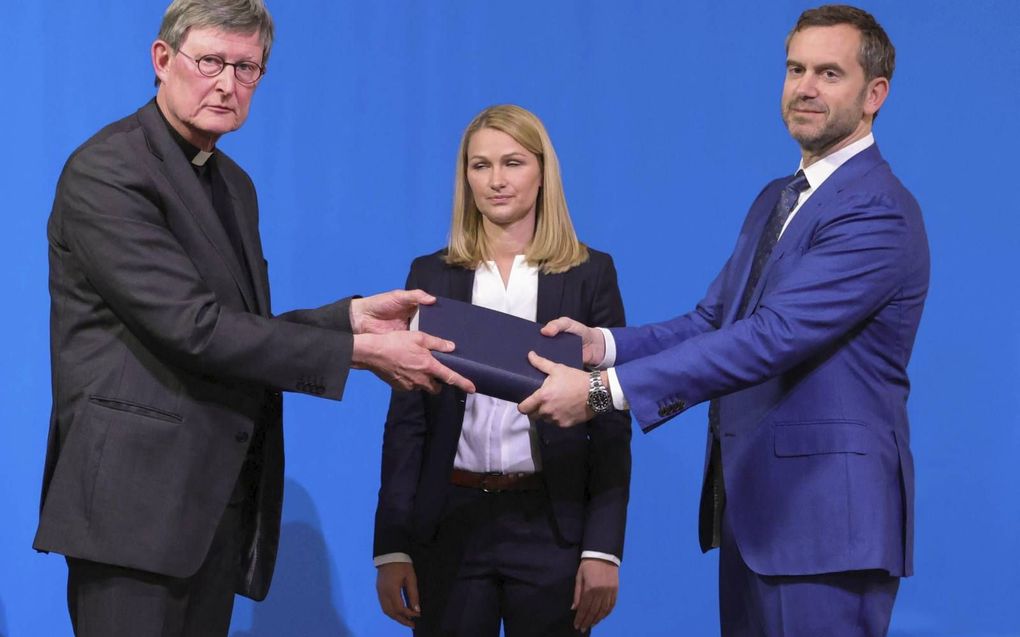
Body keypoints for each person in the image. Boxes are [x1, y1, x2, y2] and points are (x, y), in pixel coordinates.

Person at [34, 1, 473, 635]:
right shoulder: (108, 171)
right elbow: (195, 327)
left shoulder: (232, 183)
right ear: (162, 61)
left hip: (212, 508)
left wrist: (346, 320)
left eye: (247, 67)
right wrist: (357, 353)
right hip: (132, 515)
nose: (227, 83)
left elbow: (237, 326)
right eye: (210, 60)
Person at [519, 5, 929, 636]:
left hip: (824, 525)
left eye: (829, 73)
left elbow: (773, 336)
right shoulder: (777, 197)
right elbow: (717, 318)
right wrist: (602, 347)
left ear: (875, 94)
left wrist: (604, 394)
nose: (805, 88)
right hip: (756, 512)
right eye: (795, 69)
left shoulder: (877, 211)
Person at [372, 104, 632, 636]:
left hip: (552, 524)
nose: (495, 181)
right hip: (450, 523)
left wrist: (604, 548)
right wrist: (392, 545)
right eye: (480, 165)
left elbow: (609, 416)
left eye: (512, 163)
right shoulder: (432, 275)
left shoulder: (589, 275)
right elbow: (408, 419)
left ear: (543, 172)